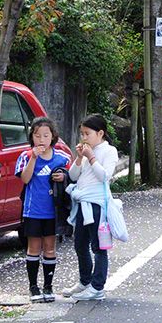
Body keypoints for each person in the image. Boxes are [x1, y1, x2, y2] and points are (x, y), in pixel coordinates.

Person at [63, 114, 119, 301]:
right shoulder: (86, 152)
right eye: (82, 134)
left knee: (98, 246)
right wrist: (79, 158)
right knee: (80, 244)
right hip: (82, 202)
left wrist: (91, 157)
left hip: (97, 204)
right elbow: (72, 175)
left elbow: (105, 177)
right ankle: (85, 280)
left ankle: (97, 287)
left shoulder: (109, 151)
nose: (84, 138)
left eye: (87, 134)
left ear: (100, 133)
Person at [15, 117, 70, 303]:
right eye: (37, 135)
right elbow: (25, 179)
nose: (41, 140)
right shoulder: (25, 157)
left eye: (46, 135)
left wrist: (62, 177)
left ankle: (48, 286)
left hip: (53, 212)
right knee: (33, 248)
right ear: (31, 137)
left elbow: (71, 178)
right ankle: (33, 287)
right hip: (33, 211)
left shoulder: (61, 158)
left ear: (53, 137)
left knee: (50, 248)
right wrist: (33, 157)